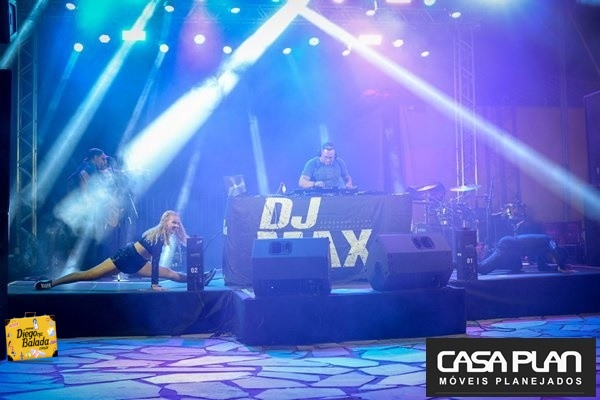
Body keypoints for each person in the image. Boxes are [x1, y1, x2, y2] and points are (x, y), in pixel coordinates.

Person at [35, 210, 216, 291]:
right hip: (124, 258)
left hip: (138, 263)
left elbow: (158, 261)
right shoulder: (157, 236)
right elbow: (155, 263)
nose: (176, 226)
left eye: (178, 223)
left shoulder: (166, 234)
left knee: (169, 272)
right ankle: (51, 283)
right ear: (165, 222)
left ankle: (199, 278)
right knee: (88, 275)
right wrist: (154, 285)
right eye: (173, 223)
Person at [477, 233, 572, 275]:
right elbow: (555, 250)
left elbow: (542, 267)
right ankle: (470, 261)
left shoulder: (543, 250)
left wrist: (556, 268)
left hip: (514, 253)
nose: (549, 259)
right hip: (507, 245)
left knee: (517, 266)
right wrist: (561, 266)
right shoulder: (549, 241)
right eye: (552, 259)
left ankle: (497, 262)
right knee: (483, 269)